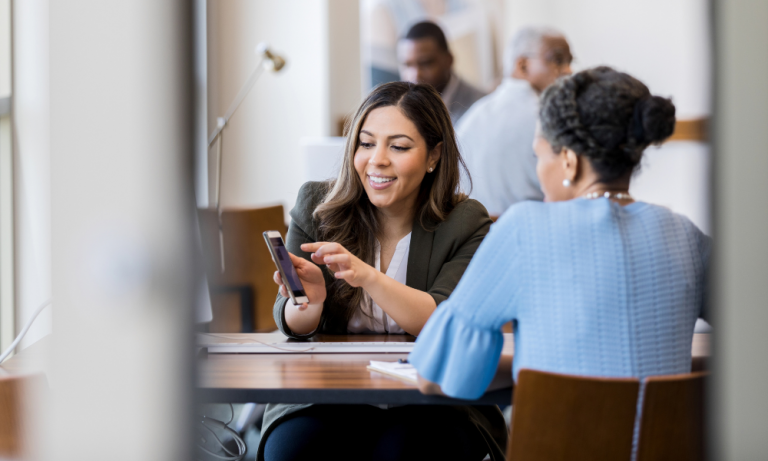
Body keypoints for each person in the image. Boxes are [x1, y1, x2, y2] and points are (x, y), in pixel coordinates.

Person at [410, 67, 709, 408]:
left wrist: (531, 369)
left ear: (569, 161)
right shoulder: (686, 236)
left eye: (539, 155)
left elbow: (436, 376)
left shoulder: (524, 229)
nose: (538, 171)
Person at [258, 82, 507, 461]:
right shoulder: (316, 205)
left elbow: (444, 320)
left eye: (399, 146)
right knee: (293, 451)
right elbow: (291, 321)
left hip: (433, 401)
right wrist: (309, 302)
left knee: (405, 451)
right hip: (327, 397)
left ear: (433, 156)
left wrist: (368, 276)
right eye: (366, 143)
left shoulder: (465, 221)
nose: (377, 160)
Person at [457, 26, 573, 217]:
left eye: (570, 61)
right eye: (557, 60)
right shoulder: (549, 117)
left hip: (474, 241)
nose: (569, 71)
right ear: (523, 65)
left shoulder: (472, 117)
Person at [397, 21, 486, 123]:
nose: (415, 75)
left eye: (425, 63)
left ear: (449, 60)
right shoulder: (399, 107)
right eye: (407, 65)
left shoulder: (480, 109)